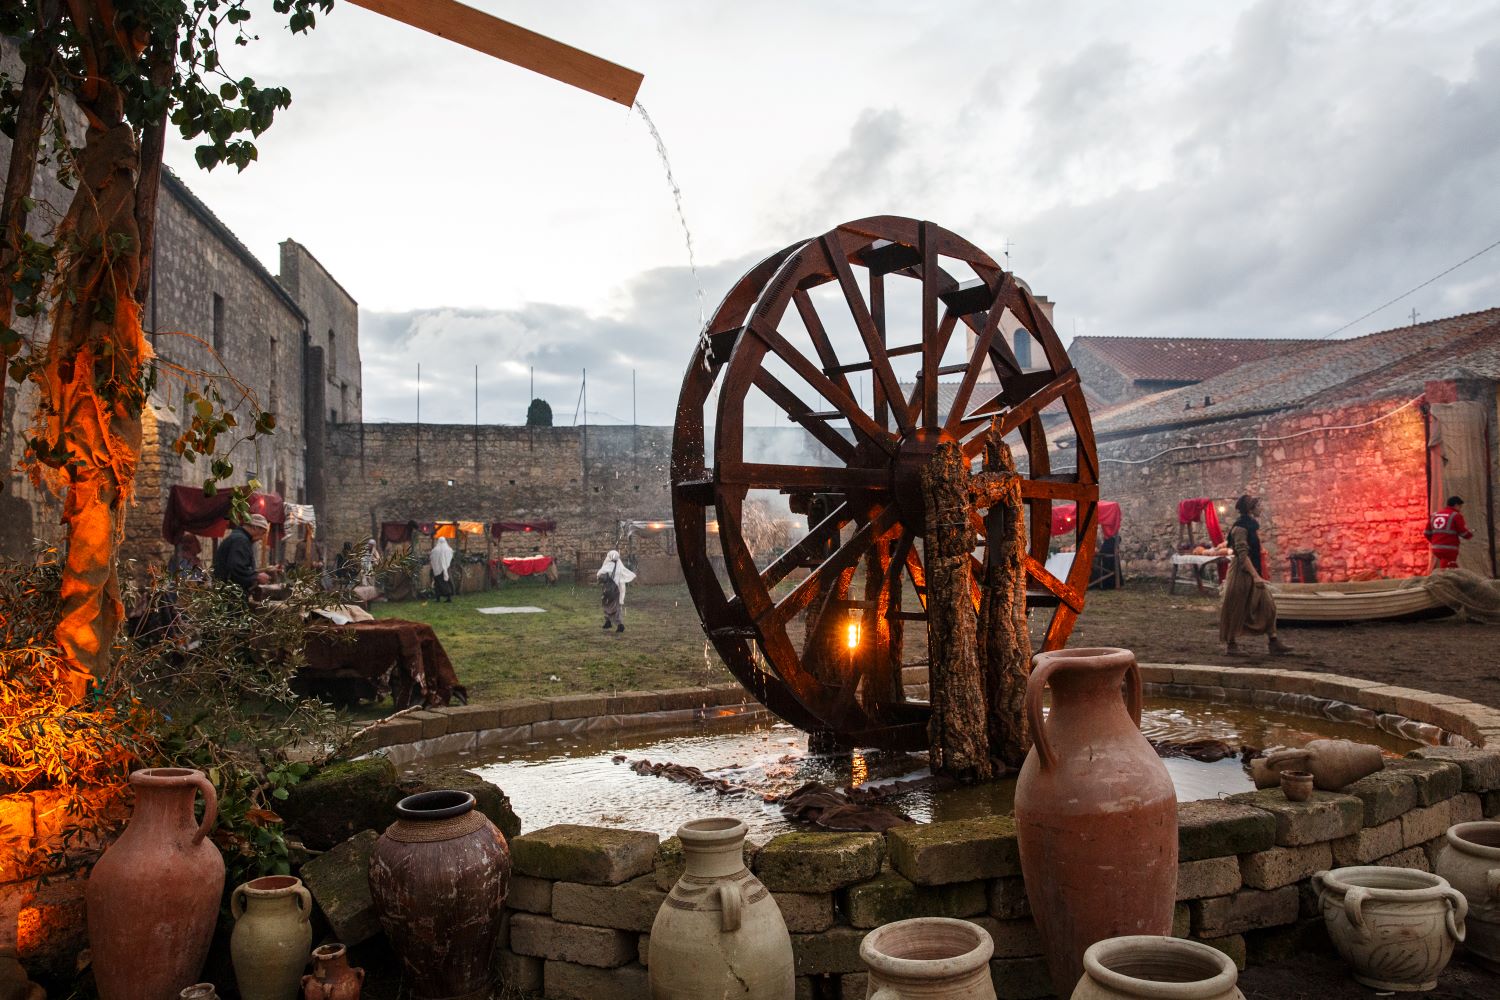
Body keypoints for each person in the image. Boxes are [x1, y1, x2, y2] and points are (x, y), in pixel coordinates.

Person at [1219, 495, 1292, 656]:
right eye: (1259, 506)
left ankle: (1273, 642)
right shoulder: (1240, 528)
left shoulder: (1251, 525)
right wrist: (1256, 576)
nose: (1262, 508)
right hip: (1241, 572)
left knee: (1269, 605)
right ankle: (1231, 645)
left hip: (1253, 570)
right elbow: (1242, 555)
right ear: (1250, 509)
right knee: (1237, 608)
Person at [213, 513, 271, 594]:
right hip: (229, 594)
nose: (261, 538)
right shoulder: (240, 540)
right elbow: (236, 567)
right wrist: (256, 576)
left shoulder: (238, 538)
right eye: (262, 533)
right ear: (255, 527)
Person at [1425, 495, 1474, 570]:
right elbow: (1463, 532)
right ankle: (1444, 580)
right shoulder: (1456, 515)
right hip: (1449, 549)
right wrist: (1470, 534)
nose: (1460, 509)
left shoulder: (1434, 515)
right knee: (1448, 570)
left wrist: (1435, 542)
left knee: (1450, 566)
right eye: (1460, 507)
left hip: (1436, 548)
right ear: (1456, 505)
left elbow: (1426, 533)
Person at [596, 549, 637, 633]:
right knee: (615, 607)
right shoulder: (619, 566)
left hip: (608, 589)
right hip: (616, 590)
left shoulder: (607, 566)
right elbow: (622, 579)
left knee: (607, 605)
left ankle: (619, 625)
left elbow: (599, 574)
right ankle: (610, 622)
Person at [430, 536, 455, 603]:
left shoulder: (435, 550)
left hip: (438, 570)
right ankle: (448, 598)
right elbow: (451, 556)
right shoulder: (448, 549)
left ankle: (438, 598)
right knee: (446, 583)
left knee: (437, 584)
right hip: (446, 569)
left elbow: (432, 557)